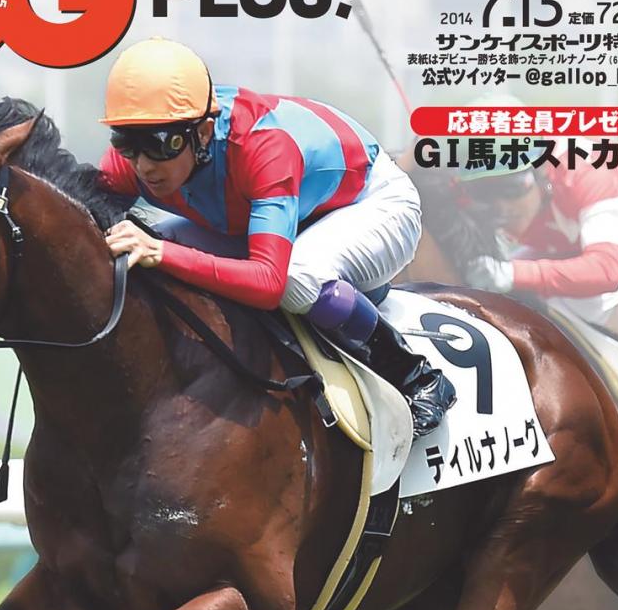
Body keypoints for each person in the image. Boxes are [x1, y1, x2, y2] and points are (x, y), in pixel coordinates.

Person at [99, 37, 456, 435]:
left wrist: (162, 252)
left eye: (161, 144)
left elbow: (269, 283)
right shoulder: (132, 161)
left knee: (295, 277)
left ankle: (415, 376)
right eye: (127, 143)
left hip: (372, 203)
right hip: (277, 217)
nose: (143, 165)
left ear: (203, 132)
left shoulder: (263, 146)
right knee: (136, 249)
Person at [461, 147, 618, 410]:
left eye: (511, 188)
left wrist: (514, 273)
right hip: (581, 245)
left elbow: (605, 270)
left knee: (582, 296)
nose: (501, 207)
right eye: (483, 192)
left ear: (541, 172)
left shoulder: (584, 172)